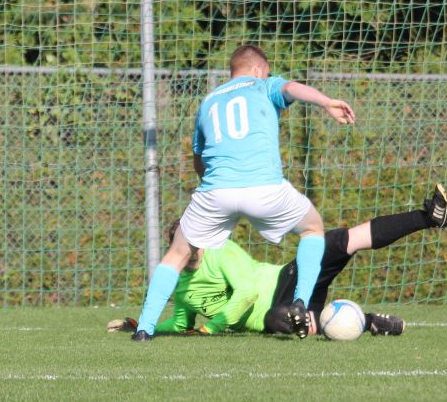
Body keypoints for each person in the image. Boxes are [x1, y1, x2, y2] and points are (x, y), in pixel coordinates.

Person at [131, 44, 355, 342]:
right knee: (312, 228)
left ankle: (144, 328)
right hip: (264, 188)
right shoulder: (263, 85)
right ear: (259, 70)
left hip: (215, 192)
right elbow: (292, 88)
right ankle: (300, 302)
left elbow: (199, 159)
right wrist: (326, 101)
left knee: (177, 253)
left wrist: (215, 189)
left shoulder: (208, 101)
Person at [110, 185, 447, 337]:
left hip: (286, 281)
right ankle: (369, 322)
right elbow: (181, 324)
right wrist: (139, 325)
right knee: (281, 320)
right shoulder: (181, 286)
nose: (191, 247)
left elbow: (247, 293)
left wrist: (212, 327)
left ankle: (428, 217)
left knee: (338, 241)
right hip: (276, 316)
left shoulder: (220, 250)